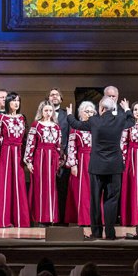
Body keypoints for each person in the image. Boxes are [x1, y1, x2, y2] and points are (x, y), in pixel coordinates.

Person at [66, 96, 134, 240]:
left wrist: (69, 114)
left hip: (97, 167)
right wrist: (127, 108)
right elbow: (132, 121)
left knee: (95, 200)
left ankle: (96, 232)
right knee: (112, 200)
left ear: (101, 109)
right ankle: (110, 233)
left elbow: (75, 124)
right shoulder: (120, 119)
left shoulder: (94, 121)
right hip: (114, 167)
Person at [0, 91, 30, 227]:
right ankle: (2, 220)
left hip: (18, 152)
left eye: (18, 100)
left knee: (19, 184)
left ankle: (19, 219)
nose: (16, 103)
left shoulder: (22, 118)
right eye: (13, 101)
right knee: (4, 184)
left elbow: (26, 139)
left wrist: (27, 157)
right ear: (8, 103)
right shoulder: (2, 118)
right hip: (6, 152)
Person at [25, 100, 62, 226]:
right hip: (40, 157)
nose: (48, 113)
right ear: (41, 111)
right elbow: (30, 144)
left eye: (50, 110)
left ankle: (51, 217)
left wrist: (59, 160)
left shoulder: (56, 126)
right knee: (40, 187)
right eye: (46, 110)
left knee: (52, 188)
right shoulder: (36, 125)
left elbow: (58, 145)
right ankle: (41, 218)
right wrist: (29, 161)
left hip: (52, 158)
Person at [65, 101, 97, 225]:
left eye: (91, 112)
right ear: (80, 113)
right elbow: (71, 147)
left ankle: (95, 219)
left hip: (94, 161)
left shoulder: (96, 127)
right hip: (82, 161)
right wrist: (73, 164)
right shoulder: (76, 128)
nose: (89, 114)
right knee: (82, 191)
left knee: (95, 190)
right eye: (86, 111)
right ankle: (83, 219)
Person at [49, 88, 70, 224]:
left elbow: (70, 135)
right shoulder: (43, 113)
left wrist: (67, 154)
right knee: (48, 187)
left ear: (61, 99)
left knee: (62, 188)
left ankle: (62, 219)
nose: (54, 96)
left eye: (57, 94)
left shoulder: (66, 114)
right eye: (52, 95)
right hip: (47, 155)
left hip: (63, 155)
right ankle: (48, 218)